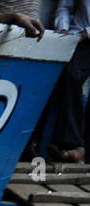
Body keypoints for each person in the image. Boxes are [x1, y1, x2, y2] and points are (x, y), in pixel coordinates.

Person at [44, 0, 90, 162]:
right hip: (80, 41)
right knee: (71, 74)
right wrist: (63, 29)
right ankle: (73, 146)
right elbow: (65, 7)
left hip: (86, 35)